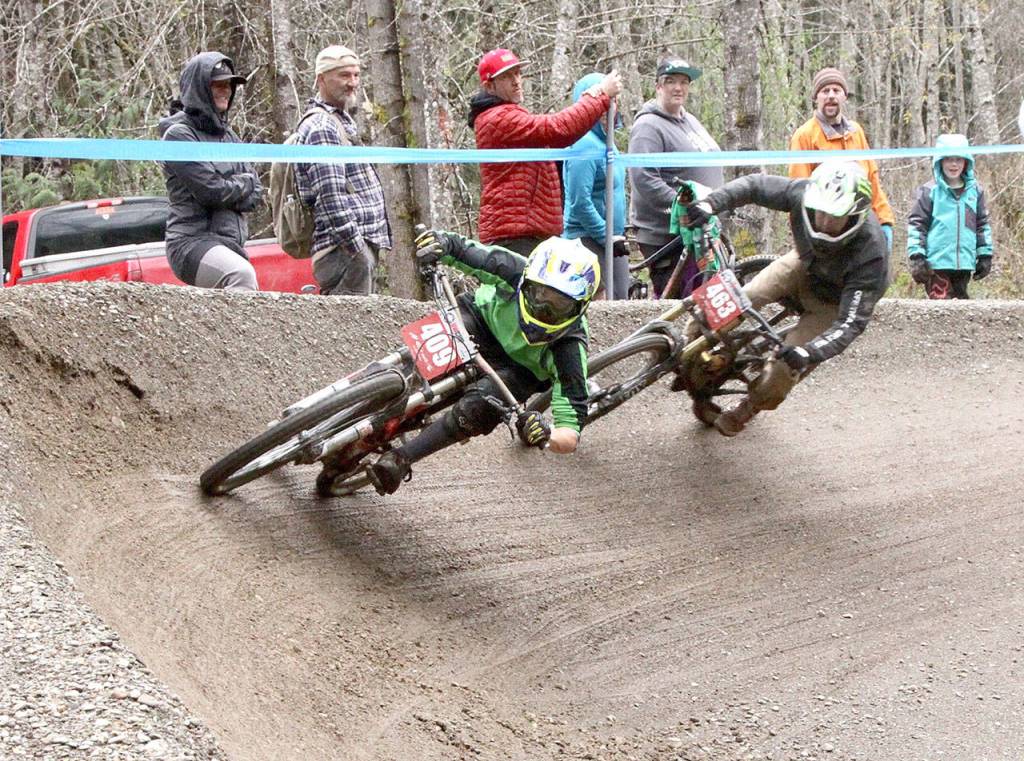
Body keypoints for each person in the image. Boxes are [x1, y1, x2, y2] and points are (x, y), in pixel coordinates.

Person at [344, 234, 600, 495]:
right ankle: (370, 383)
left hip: (520, 371)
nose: (544, 308)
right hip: (480, 320)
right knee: (420, 354)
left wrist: (548, 433)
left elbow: (570, 433)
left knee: (477, 409)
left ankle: (401, 459)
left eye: (560, 305)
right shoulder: (513, 268)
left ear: (580, 307)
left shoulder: (570, 348)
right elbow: (463, 250)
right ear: (527, 279)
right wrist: (439, 243)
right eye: (540, 293)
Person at [683, 160, 888, 436]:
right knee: (743, 296)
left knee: (783, 370)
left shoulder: (871, 255)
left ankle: (748, 408)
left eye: (835, 216)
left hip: (833, 302)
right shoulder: (802, 194)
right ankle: (690, 337)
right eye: (820, 212)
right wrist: (711, 203)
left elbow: (850, 324)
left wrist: (808, 352)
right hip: (804, 262)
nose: (824, 223)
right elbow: (755, 186)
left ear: (855, 215)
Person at [468, 48, 622, 254]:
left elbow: (557, 132)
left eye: (517, 73)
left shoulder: (507, 115)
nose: (516, 81)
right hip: (514, 236)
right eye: (506, 77)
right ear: (489, 86)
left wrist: (590, 97)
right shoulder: (498, 118)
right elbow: (558, 129)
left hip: (525, 231)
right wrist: (601, 95)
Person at [293, 45, 392, 295]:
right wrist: (356, 248)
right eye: (344, 75)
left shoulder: (339, 120)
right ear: (321, 79)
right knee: (353, 321)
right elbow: (330, 196)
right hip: (343, 252)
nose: (353, 83)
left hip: (350, 252)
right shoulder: (322, 127)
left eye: (356, 75)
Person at [159, 52, 262, 291]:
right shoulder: (178, 135)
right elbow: (211, 191)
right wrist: (244, 184)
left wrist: (236, 187)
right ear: (200, 89)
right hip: (191, 243)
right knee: (240, 275)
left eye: (229, 85)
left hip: (230, 244)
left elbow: (257, 193)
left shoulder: (230, 137)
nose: (226, 90)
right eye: (218, 85)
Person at [628, 55, 724, 298]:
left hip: (702, 227)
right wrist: (684, 204)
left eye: (684, 82)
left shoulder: (690, 120)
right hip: (668, 236)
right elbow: (644, 178)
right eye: (671, 81)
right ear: (658, 86)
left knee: (707, 296)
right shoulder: (648, 126)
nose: (678, 88)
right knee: (679, 301)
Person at [788, 67, 895, 249]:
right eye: (825, 91)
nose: (831, 96)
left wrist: (884, 221)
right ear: (816, 97)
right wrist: (807, 240)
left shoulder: (856, 132)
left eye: (836, 91)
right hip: (825, 233)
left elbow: (871, 180)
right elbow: (797, 192)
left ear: (844, 96)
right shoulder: (805, 135)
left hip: (861, 228)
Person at [563, 72, 629, 299]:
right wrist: (606, 236)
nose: (608, 109)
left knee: (621, 304)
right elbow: (580, 202)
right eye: (602, 102)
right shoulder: (584, 145)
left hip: (612, 241)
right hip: (587, 242)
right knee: (600, 308)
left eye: (613, 101)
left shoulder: (607, 143)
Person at [907, 133, 993, 299]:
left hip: (964, 263)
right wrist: (917, 256)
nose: (954, 164)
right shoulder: (929, 191)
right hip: (936, 263)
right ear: (940, 161)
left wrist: (985, 255)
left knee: (961, 306)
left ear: (966, 161)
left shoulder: (975, 191)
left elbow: (981, 225)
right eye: (948, 159)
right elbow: (917, 225)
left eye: (958, 159)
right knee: (942, 307)